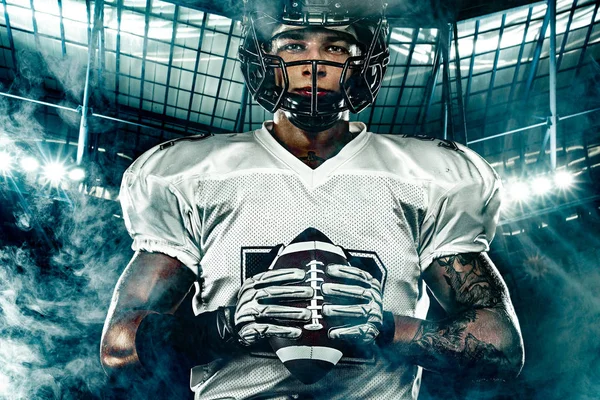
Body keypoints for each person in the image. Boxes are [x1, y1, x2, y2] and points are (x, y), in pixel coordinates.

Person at [100, 0, 524, 399]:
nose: (313, 64)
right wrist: (228, 326)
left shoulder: (428, 176)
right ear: (264, 55)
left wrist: (383, 329)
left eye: (336, 46)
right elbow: (119, 347)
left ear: (363, 61)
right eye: (293, 45)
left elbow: (501, 347)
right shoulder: (190, 174)